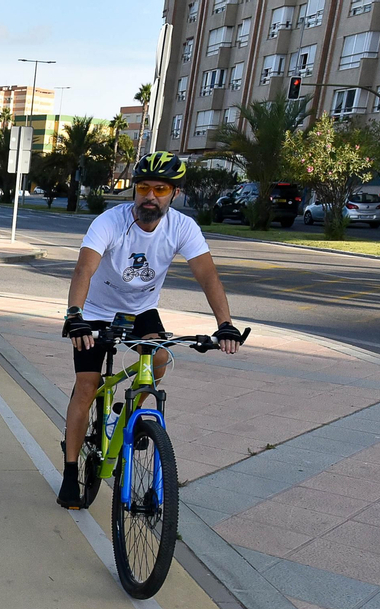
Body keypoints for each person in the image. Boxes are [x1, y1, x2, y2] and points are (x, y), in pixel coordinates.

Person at [56, 151, 246, 509]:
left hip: (141, 310)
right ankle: (69, 471)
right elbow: (84, 269)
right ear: (135, 190)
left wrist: (225, 324)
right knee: (87, 386)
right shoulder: (110, 222)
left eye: (160, 189)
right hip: (95, 312)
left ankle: (124, 418)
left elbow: (207, 275)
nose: (150, 196)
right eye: (144, 187)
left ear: (174, 193)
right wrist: (75, 314)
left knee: (159, 360)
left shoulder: (182, 227)